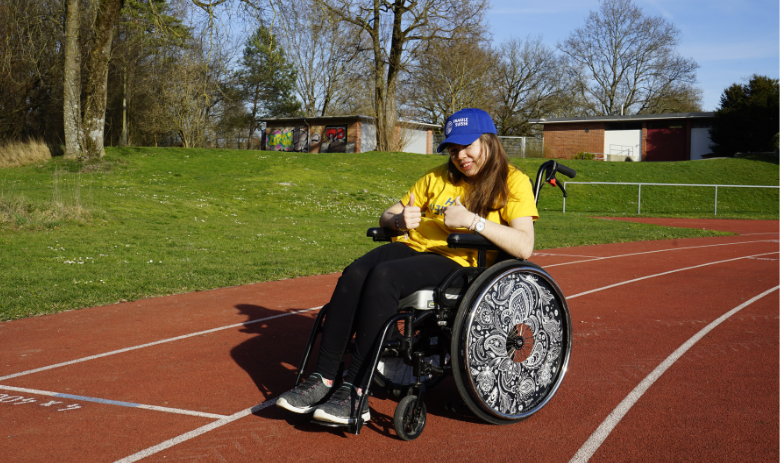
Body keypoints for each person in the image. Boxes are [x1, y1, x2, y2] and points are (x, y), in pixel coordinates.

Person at [276, 108, 539, 425]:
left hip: (458, 262)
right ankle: (324, 377)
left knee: (384, 278)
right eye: (453, 149)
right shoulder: (437, 178)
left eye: (467, 146)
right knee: (354, 273)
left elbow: (524, 244)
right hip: (412, 246)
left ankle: (356, 391)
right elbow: (387, 216)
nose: (460, 156)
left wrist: (473, 221)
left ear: (489, 141)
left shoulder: (512, 181)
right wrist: (398, 220)